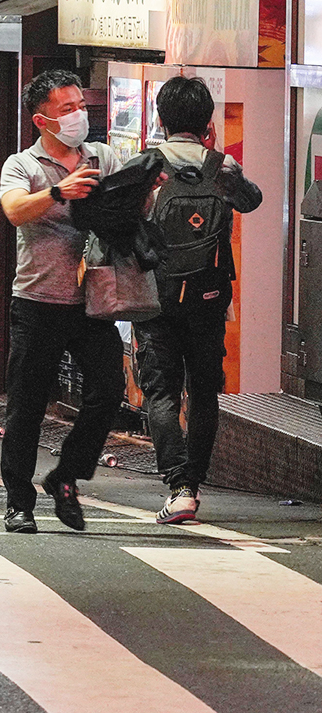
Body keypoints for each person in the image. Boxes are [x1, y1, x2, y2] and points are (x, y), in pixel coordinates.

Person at [0, 68, 123, 534]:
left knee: (109, 391)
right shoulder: (21, 165)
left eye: (81, 106)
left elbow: (130, 208)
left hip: (93, 304)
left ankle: (66, 474)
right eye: (66, 109)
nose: (78, 116)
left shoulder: (102, 157)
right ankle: (18, 502)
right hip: (38, 301)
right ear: (41, 120)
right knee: (26, 406)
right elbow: (13, 210)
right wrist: (56, 191)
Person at [135, 76, 261, 524]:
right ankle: (196, 481)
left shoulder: (146, 164)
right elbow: (253, 202)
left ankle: (179, 486)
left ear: (160, 119)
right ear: (207, 122)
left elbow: (117, 220)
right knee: (204, 390)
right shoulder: (222, 165)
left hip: (156, 298)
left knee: (161, 390)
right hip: (209, 298)